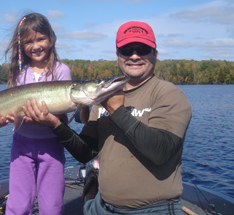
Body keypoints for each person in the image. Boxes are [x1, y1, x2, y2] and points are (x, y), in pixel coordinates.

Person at [23, 21, 193, 215]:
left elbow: (160, 152)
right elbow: (86, 152)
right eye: (127, 50)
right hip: (103, 207)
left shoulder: (168, 95)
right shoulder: (102, 98)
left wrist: (118, 111)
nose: (134, 56)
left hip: (154, 210)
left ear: (155, 54)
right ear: (118, 56)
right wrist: (55, 124)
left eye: (143, 49)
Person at [0, 13, 71, 215]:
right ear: (21, 45)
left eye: (40, 39)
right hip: (21, 145)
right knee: (18, 206)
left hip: (52, 146)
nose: (35, 46)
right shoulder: (19, 73)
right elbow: (13, 113)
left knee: (52, 207)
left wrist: (49, 118)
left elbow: (63, 116)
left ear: (51, 38)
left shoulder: (61, 71)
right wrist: (1, 120)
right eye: (28, 41)